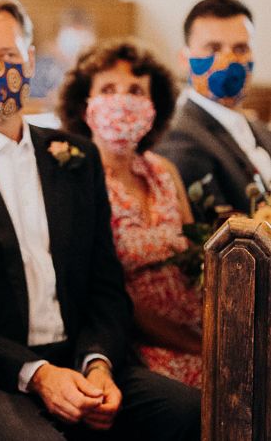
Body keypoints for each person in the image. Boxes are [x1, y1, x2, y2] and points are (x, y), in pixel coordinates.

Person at [0, 0, 200, 440]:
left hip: (80, 357)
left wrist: (97, 364)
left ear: (30, 59)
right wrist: (36, 373)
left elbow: (106, 288)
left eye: (7, 55)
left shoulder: (74, 156)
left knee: (190, 410)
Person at [58, 39, 202, 388]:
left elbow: (197, 261)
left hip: (197, 328)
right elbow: (105, 292)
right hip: (136, 341)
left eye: (136, 90)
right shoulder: (76, 181)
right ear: (84, 105)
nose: (122, 101)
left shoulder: (164, 172)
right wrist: (196, 345)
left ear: (154, 106)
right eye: (108, 89)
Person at [156, 0, 271, 220]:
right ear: (184, 59)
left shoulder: (258, 128)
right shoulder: (178, 137)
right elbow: (214, 231)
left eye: (240, 48)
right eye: (213, 48)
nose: (228, 59)